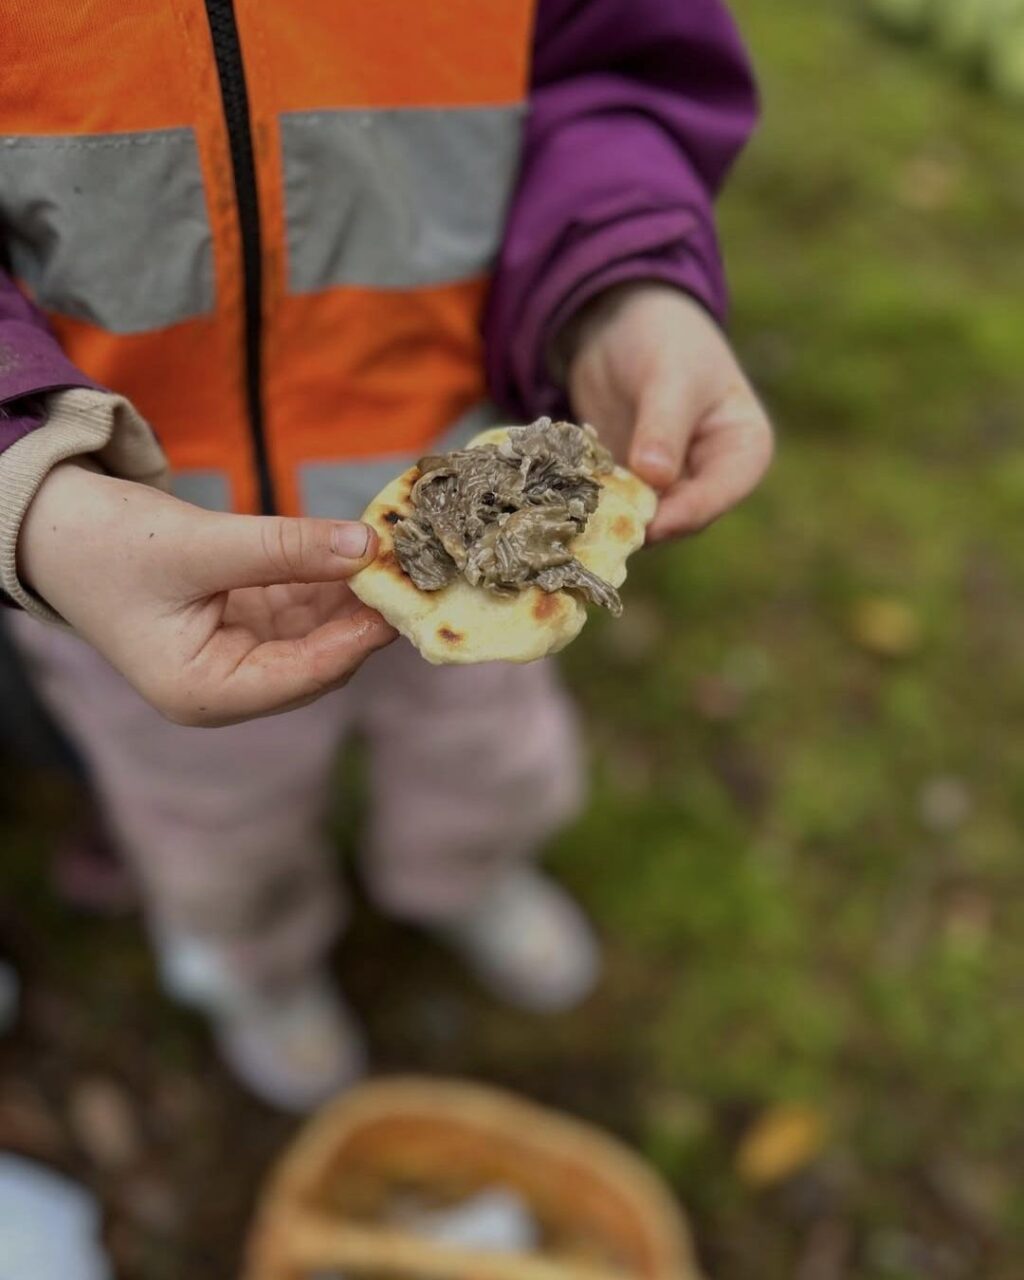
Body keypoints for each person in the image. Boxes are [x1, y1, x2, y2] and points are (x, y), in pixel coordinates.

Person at [0, 0, 773, 1110]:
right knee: (212, 820)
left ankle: (466, 873)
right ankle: (257, 962)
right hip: (127, 553)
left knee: (487, 754)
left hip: (465, 511)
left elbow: (605, 74)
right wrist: (28, 494)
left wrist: (614, 278)